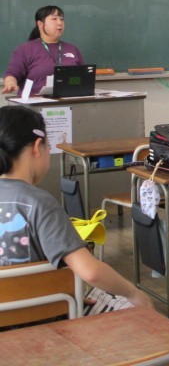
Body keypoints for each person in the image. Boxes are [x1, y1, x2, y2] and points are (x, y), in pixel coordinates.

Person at [0, 105, 153, 309]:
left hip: (12, 312)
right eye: (48, 146)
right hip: (41, 314)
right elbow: (91, 272)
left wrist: (63, 290)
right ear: (37, 147)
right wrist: (133, 293)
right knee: (132, 307)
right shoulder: (39, 203)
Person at [3, 6, 84, 96]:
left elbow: (83, 76)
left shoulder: (72, 49)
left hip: (69, 99)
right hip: (35, 101)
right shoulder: (25, 49)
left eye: (61, 19)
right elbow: (12, 73)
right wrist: (10, 83)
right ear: (40, 24)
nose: (59, 23)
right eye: (54, 19)